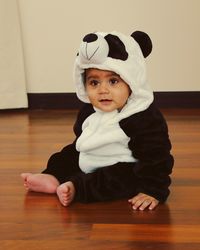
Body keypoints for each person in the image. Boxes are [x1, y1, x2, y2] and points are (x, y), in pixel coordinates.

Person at [21, 30, 174, 211]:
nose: (103, 90)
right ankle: (52, 176)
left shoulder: (141, 117)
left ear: (132, 83)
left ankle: (77, 187)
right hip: (91, 157)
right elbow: (81, 140)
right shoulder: (90, 111)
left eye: (113, 81)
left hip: (123, 165)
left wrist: (153, 190)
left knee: (118, 178)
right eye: (94, 83)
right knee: (67, 155)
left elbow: (156, 156)